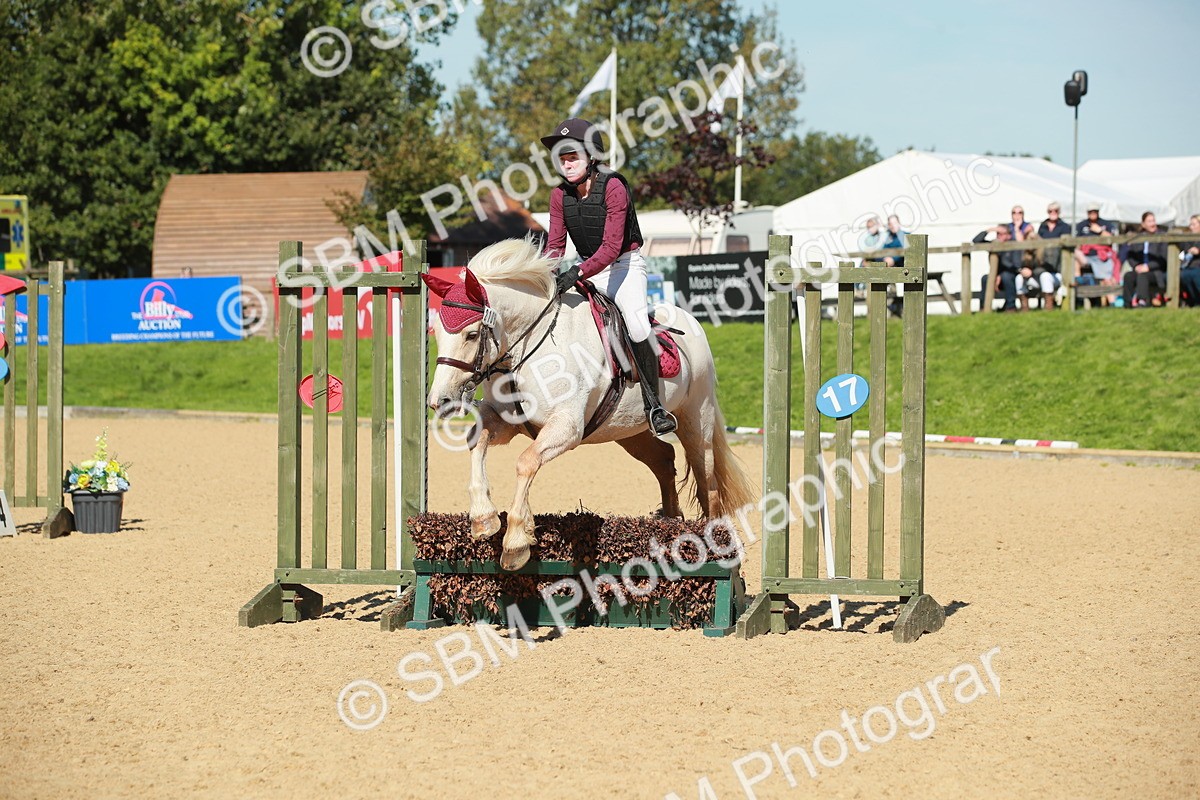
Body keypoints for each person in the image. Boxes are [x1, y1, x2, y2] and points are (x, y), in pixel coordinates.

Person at [541, 117, 675, 436]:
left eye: (572, 154)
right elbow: (555, 246)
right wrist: (544, 276)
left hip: (625, 266)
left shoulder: (614, 186)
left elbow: (613, 247)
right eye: (561, 156)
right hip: (589, 266)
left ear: (591, 156)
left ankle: (654, 405)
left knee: (636, 322)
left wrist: (576, 272)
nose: (566, 162)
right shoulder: (559, 195)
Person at [1123, 211, 1168, 308]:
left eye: (1153, 221)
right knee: (1128, 276)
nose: (1153, 224)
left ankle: (1143, 302)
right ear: (1143, 224)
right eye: (1149, 221)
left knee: (1143, 276)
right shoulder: (1138, 238)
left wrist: (1147, 267)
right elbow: (1130, 255)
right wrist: (1136, 266)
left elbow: (1163, 258)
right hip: (1140, 269)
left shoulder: (1162, 236)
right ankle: (1127, 304)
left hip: (1156, 271)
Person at [974, 223, 1024, 311]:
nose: (999, 236)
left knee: (1006, 276)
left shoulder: (1013, 245)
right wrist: (990, 229)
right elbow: (976, 241)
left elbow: (1015, 266)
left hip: (1010, 277)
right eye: (998, 233)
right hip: (996, 277)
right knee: (985, 278)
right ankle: (984, 307)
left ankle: (1011, 307)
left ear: (1009, 235)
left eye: (1002, 234)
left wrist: (1000, 275)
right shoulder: (993, 245)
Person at [1074, 203, 1118, 292]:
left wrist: (1100, 231)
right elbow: (1076, 243)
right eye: (1090, 212)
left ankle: (1112, 302)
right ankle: (1077, 280)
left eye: (1095, 211)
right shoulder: (1081, 225)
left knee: (1107, 279)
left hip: (1101, 256)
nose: (1092, 213)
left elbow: (1112, 239)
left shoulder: (1105, 224)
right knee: (1075, 255)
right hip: (1085, 256)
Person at [1180, 214, 1200, 307]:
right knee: (1185, 275)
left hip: (1197, 267)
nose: (1190, 227)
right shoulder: (1188, 239)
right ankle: (1194, 301)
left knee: (1195, 274)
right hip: (1188, 267)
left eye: (1193, 224)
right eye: (1190, 224)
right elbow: (1183, 251)